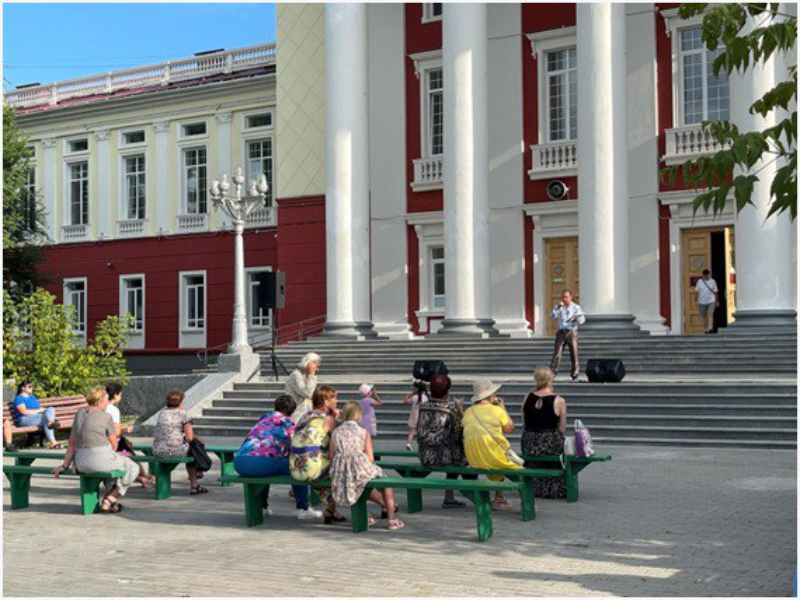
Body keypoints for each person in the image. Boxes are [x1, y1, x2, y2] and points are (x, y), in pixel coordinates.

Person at [233, 394, 323, 520]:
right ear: (292, 411)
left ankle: (262, 507)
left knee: (265, 471)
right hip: (261, 463)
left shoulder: (263, 419)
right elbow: (295, 447)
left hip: (239, 462)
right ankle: (303, 508)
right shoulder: (288, 423)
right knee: (300, 467)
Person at [53, 386, 139, 514]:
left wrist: (64, 466)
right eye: (106, 400)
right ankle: (110, 499)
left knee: (112, 468)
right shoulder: (106, 416)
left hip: (80, 462)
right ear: (99, 401)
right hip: (100, 458)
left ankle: (111, 503)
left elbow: (71, 443)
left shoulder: (79, 414)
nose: (107, 402)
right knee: (132, 467)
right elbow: (114, 444)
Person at [330, 402, 403, 530]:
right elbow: (370, 458)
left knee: (359, 482)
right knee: (385, 481)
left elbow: (331, 456)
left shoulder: (336, 432)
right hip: (359, 468)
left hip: (340, 471)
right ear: (359, 416)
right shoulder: (363, 432)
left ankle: (367, 515)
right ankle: (392, 519)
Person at [461, 379, 522, 508]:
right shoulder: (496, 411)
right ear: (489, 395)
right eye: (494, 392)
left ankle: (499, 497)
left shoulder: (468, 412)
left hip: (474, 460)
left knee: (490, 450)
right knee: (520, 471)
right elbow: (509, 429)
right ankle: (520, 501)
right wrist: (503, 408)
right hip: (493, 457)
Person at [289, 385, 346, 524]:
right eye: (334, 398)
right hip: (311, 468)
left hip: (295, 468)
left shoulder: (305, 416)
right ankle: (369, 510)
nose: (337, 401)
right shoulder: (328, 419)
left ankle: (331, 511)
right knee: (348, 470)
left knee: (320, 466)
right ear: (326, 402)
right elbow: (343, 439)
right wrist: (340, 418)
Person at [416, 374, 472, 509]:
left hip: (425, 455)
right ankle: (477, 494)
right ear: (447, 392)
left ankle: (449, 497)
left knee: (453, 451)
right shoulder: (450, 410)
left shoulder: (423, 406)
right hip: (444, 458)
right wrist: (460, 410)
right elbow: (460, 433)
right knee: (464, 458)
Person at [520, 366, 568, 499]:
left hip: (529, 443)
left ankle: (535, 486)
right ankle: (553, 487)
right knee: (559, 443)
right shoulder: (559, 400)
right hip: (550, 443)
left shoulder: (527, 397)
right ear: (550, 380)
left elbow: (524, 423)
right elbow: (562, 428)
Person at [153, 390, 207, 495]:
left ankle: (196, 480)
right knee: (193, 448)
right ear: (181, 402)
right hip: (174, 451)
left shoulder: (162, 413)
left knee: (189, 448)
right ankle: (195, 481)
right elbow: (189, 438)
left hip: (158, 450)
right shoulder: (184, 414)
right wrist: (195, 438)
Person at [105, 381, 152, 488]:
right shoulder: (113, 410)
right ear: (115, 395)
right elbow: (115, 433)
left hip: (104, 444)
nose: (120, 397)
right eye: (120, 394)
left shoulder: (100, 408)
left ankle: (144, 477)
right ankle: (144, 477)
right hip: (113, 445)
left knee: (128, 451)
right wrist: (125, 430)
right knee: (131, 458)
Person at [12, 381, 62, 448]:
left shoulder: (32, 397)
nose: (32, 388)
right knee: (45, 419)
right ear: (23, 388)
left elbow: (38, 408)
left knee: (51, 409)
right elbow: (24, 412)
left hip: (36, 417)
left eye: (32, 386)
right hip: (24, 419)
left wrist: (45, 411)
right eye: (29, 386)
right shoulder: (19, 398)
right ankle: (53, 439)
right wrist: (39, 411)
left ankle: (51, 422)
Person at [549, 290, 585, 382]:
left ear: (571, 297)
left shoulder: (576, 307)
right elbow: (552, 316)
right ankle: (552, 374)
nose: (564, 299)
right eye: (563, 297)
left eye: (566, 297)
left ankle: (575, 374)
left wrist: (577, 318)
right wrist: (557, 308)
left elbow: (582, 320)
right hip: (561, 332)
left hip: (572, 332)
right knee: (557, 354)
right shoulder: (558, 307)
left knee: (574, 353)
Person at [286, 352, 321, 423]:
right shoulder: (296, 375)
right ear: (308, 363)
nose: (317, 368)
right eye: (315, 365)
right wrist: (311, 375)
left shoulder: (305, 375)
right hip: (296, 415)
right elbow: (308, 393)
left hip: (304, 414)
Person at [403, 382, 428, 451]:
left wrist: (409, 395)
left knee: (412, 431)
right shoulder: (425, 397)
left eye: (414, 388)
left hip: (414, 415)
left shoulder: (414, 397)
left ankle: (408, 444)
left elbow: (405, 401)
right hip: (422, 416)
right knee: (423, 431)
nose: (412, 389)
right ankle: (423, 444)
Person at [696, 269, 720, 334]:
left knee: (710, 314)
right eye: (705, 275)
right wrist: (696, 301)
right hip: (702, 301)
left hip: (711, 301)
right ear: (703, 275)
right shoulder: (699, 282)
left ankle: (710, 328)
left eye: (708, 275)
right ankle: (706, 329)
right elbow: (697, 292)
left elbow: (715, 292)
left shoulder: (713, 281)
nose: (707, 277)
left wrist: (717, 301)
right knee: (704, 316)